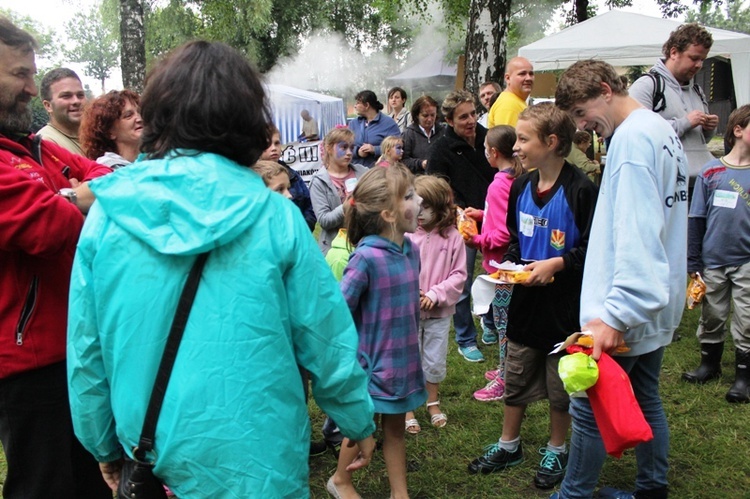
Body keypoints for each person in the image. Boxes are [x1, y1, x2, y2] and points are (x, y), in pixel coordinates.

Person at [66, 40, 377, 498]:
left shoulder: (108, 216)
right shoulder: (276, 218)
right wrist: (355, 416)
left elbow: (86, 350)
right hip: (257, 458)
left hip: (152, 450)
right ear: (245, 116)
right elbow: (325, 338)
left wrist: (102, 443)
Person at [553, 59, 689, 499]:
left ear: (606, 89)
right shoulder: (660, 128)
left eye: (580, 112)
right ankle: (652, 487)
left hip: (627, 304)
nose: (581, 125)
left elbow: (635, 230)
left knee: (589, 406)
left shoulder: (630, 140)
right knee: (646, 392)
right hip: (657, 296)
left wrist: (616, 313)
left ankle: (573, 495)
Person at [0, 17, 113, 499]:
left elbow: (122, 180)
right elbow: (49, 226)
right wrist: (75, 200)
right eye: (20, 74)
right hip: (28, 362)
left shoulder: (35, 150)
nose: (31, 87)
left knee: (88, 475)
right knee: (44, 482)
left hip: (72, 346)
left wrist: (78, 195)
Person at [467, 103, 597, 491]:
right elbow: (513, 241)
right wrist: (507, 268)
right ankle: (509, 445)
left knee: (560, 387)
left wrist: (556, 264)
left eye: (524, 139)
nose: (517, 147)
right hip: (524, 304)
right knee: (516, 373)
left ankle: (557, 448)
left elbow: (592, 249)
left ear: (552, 142)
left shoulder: (581, 190)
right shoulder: (521, 186)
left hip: (565, 309)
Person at [327, 165, 426, 499]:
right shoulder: (365, 258)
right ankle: (340, 479)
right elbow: (338, 313)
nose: (420, 199)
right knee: (359, 428)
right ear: (388, 213)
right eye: (410, 196)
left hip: (403, 361)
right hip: (371, 367)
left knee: (395, 429)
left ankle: (401, 494)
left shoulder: (411, 250)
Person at [682, 104, 750, 404]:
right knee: (713, 314)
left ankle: (743, 377)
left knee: (747, 319)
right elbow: (696, 218)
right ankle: (709, 365)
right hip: (712, 263)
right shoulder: (712, 171)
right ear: (738, 130)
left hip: (746, 261)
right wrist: (693, 260)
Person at [427, 89, 496, 363]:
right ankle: (465, 338)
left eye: (473, 114)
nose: (470, 121)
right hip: (462, 221)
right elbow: (436, 186)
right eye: (463, 117)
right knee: (463, 280)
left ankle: (490, 322)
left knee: (495, 276)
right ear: (450, 120)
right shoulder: (441, 147)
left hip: (492, 216)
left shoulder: (486, 137)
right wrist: (457, 211)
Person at [462, 125, 525, 402]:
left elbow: (502, 233)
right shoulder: (518, 177)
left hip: (502, 269)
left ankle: (505, 376)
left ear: (494, 153)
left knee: (504, 326)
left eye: (485, 148)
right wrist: (483, 214)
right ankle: (504, 366)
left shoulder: (499, 183)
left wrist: (476, 240)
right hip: (514, 265)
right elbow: (507, 218)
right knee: (507, 322)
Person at [403, 175, 467, 434]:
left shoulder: (453, 237)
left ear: (440, 207)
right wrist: (412, 291)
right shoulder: (406, 236)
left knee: (435, 358)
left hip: (440, 313)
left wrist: (436, 294)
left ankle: (432, 402)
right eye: (416, 206)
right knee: (409, 356)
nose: (419, 213)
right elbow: (398, 268)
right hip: (409, 311)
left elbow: (459, 275)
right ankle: (407, 407)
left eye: (426, 207)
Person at [629, 23, 717, 188]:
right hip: (668, 188)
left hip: (702, 185)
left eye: (702, 59)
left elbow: (701, 141)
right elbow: (637, 137)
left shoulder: (697, 91)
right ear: (674, 52)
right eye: (694, 58)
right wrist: (685, 123)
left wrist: (708, 128)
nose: (699, 65)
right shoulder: (647, 86)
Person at [309, 127, 368, 254]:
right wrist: (345, 207)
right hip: (334, 249)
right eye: (343, 147)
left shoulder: (363, 172)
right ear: (329, 148)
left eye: (351, 148)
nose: (349, 153)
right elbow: (324, 220)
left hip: (364, 245)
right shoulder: (319, 181)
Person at [261, 123, 317, 230]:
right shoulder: (253, 178)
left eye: (277, 143)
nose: (273, 148)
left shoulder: (292, 175)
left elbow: (309, 205)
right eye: (267, 144)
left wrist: (302, 228)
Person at [79, 89, 142, 169]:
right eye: (128, 115)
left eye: (140, 112)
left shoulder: (155, 159)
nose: (140, 119)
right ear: (109, 133)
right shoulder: (106, 171)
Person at [37, 67, 87, 155]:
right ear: (48, 106)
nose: (76, 101)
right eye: (66, 96)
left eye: (80, 95)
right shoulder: (46, 143)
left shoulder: (94, 137)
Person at [349, 90, 401, 167]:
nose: (355, 106)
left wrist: (375, 149)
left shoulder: (388, 123)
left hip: (379, 171)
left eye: (358, 103)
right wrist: (357, 152)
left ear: (367, 105)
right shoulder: (353, 123)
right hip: (355, 171)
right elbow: (345, 146)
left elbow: (398, 147)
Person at [401, 95, 446, 174]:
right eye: (425, 115)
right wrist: (420, 164)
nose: (429, 119)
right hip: (418, 180)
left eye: (433, 115)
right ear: (417, 115)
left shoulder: (443, 131)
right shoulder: (409, 134)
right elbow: (403, 161)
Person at [487, 57, 535, 128]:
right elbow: (508, 138)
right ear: (508, 78)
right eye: (522, 74)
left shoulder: (515, 101)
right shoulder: (509, 104)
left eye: (531, 74)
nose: (528, 78)